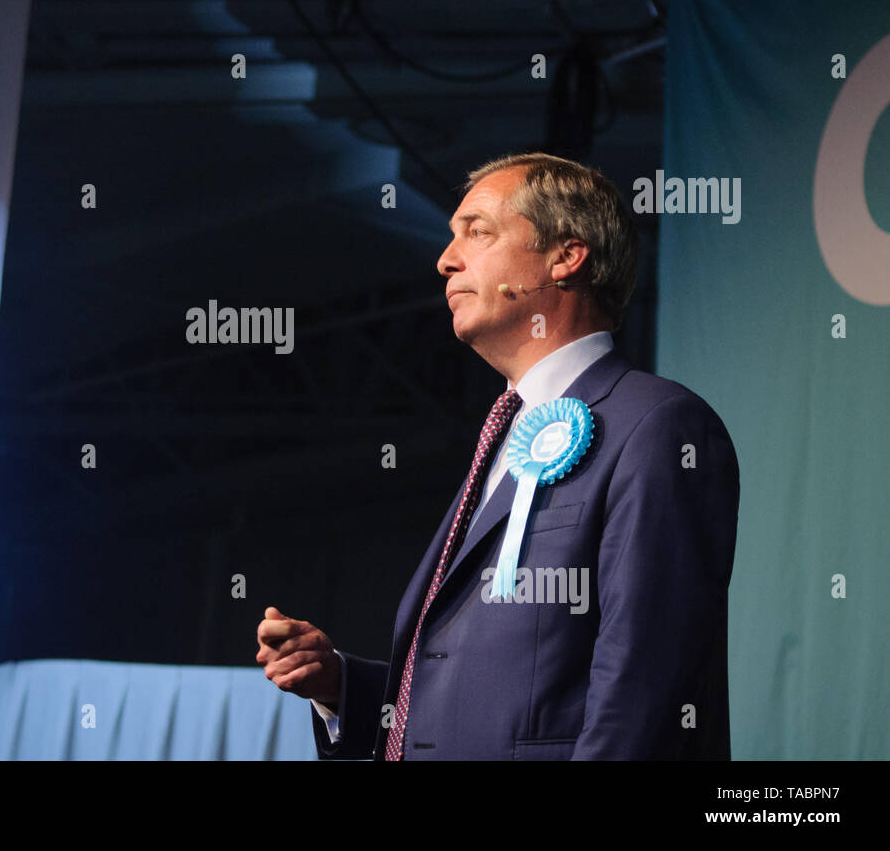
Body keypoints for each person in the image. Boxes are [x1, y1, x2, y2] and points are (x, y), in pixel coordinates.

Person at [256, 152, 739, 760]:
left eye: (477, 232)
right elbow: (493, 701)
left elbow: (646, 690)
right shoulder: (506, 436)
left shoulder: (658, 426)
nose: (445, 259)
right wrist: (342, 687)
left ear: (567, 255)